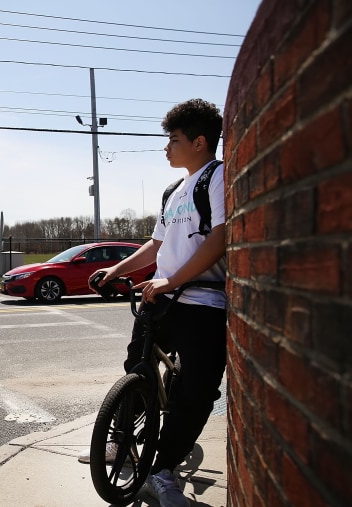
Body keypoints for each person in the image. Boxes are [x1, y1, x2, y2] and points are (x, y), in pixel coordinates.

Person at [80, 98, 226, 507]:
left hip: (203, 304)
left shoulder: (215, 177)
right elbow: (156, 244)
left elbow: (221, 236)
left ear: (200, 142)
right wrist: (115, 271)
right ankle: (124, 443)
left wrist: (172, 280)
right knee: (136, 372)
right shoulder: (173, 190)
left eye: (174, 140)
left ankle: (161, 471)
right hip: (158, 298)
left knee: (196, 392)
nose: (166, 147)